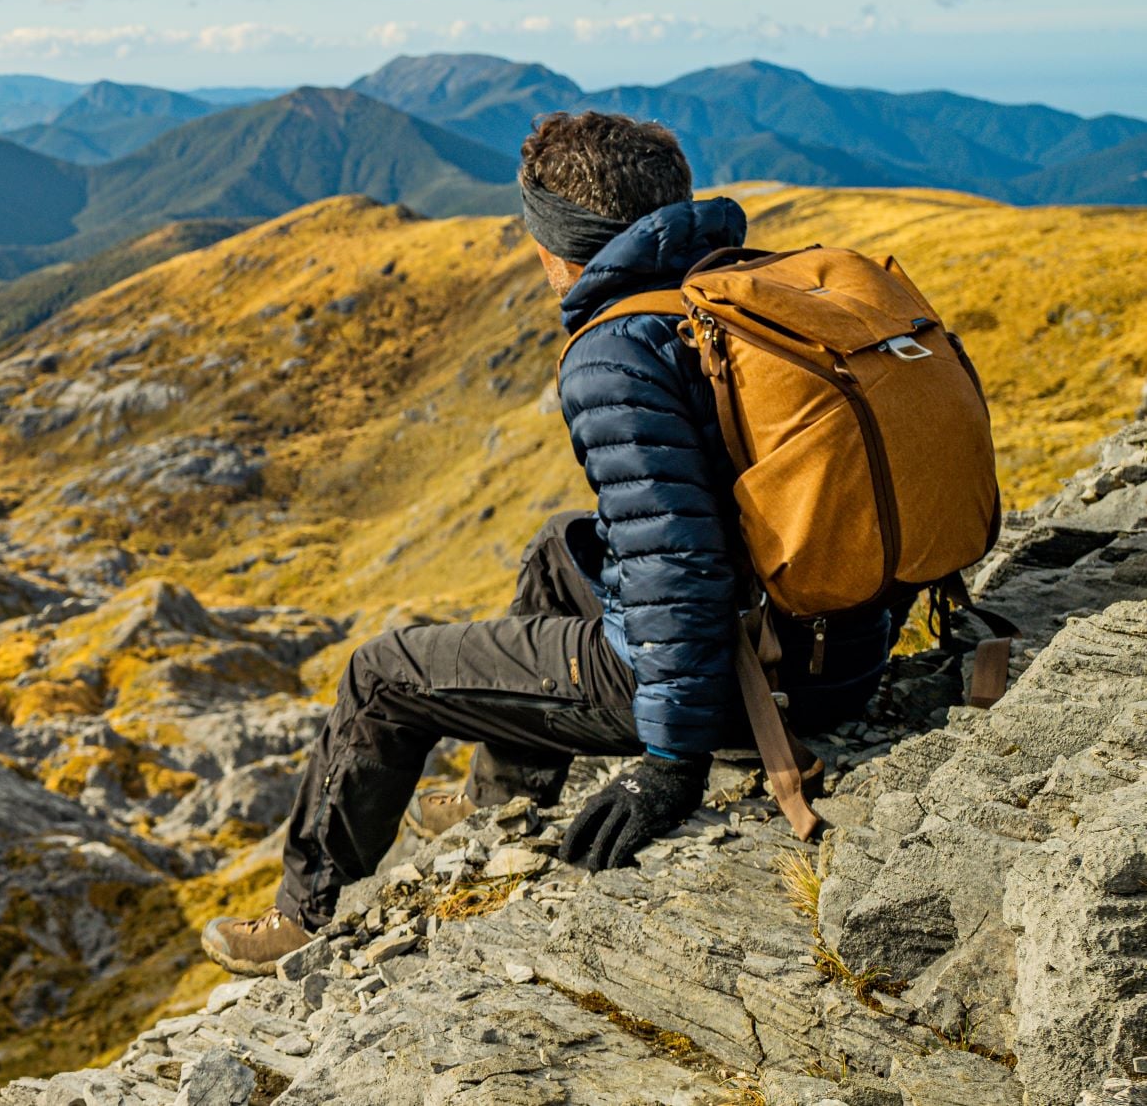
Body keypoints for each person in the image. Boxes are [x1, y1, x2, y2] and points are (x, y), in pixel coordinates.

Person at [199, 111, 903, 975]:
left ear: (555, 247)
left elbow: (675, 565)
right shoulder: (745, 295)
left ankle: (304, 916)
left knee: (380, 676)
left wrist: (670, 763)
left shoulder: (614, 349)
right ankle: (503, 795)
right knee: (555, 546)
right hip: (843, 648)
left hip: (751, 688)